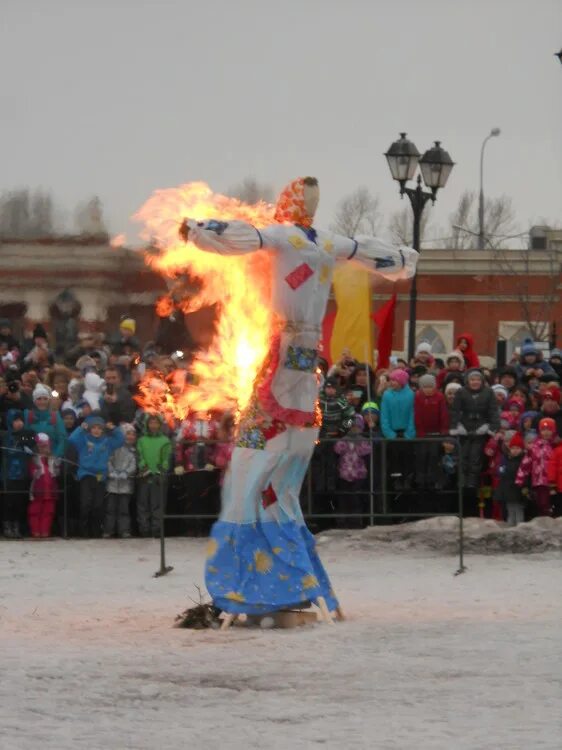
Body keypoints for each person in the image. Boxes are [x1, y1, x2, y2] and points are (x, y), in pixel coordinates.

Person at [179, 175, 417, 618]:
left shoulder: (282, 235)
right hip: (307, 367)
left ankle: (256, 586)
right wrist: (403, 259)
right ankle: (292, 583)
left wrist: (197, 229)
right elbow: (371, 251)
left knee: (249, 472)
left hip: (283, 357)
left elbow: (243, 235)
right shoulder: (328, 242)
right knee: (281, 482)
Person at [450, 369, 500, 513]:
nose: (475, 382)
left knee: (475, 457)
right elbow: (455, 410)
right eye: (472, 380)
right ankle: (462, 481)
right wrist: (456, 426)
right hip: (464, 429)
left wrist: (491, 427)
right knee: (463, 456)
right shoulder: (461, 392)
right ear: (468, 381)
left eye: (478, 379)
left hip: (481, 429)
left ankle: (472, 482)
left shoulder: (488, 392)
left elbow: (493, 411)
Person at [68, 416, 125, 537]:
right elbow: (72, 439)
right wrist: (80, 429)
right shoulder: (83, 440)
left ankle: (95, 530)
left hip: (100, 476)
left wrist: (113, 429)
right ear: (89, 429)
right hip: (86, 475)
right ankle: (83, 530)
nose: (96, 430)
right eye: (93, 427)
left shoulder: (108, 441)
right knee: (85, 503)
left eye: (99, 428)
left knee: (98, 505)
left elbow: (121, 439)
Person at [136, 413, 172, 537]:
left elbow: (166, 457)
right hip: (145, 475)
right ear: (147, 424)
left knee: (158, 504)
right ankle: (144, 530)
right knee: (143, 504)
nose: (153, 425)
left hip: (159, 475)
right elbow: (139, 455)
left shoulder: (165, 440)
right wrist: (143, 467)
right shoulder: (141, 440)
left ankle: (156, 530)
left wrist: (162, 469)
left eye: (156, 423)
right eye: (151, 423)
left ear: (160, 425)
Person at [1, 410, 35, 538]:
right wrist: (19, 449)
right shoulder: (5, 436)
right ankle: (7, 526)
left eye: (21, 420)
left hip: (22, 474)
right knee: (9, 501)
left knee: (20, 501)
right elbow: (8, 453)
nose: (19, 423)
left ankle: (16, 526)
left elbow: (33, 444)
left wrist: (28, 448)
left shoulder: (26, 435)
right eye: (16, 420)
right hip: (8, 474)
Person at [381, 368, 415, 491]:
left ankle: (406, 479)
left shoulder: (411, 395)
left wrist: (410, 432)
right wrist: (389, 433)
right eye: (391, 380)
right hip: (392, 433)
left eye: (395, 380)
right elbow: (384, 415)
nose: (392, 383)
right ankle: (396, 480)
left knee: (406, 458)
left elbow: (412, 415)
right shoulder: (387, 395)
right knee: (394, 459)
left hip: (406, 432)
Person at [334, 414, 371, 528]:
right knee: (344, 499)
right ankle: (342, 521)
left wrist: (358, 443)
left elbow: (365, 452)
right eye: (352, 427)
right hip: (345, 473)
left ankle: (356, 520)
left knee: (356, 499)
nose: (354, 429)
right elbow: (337, 449)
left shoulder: (363, 441)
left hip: (358, 474)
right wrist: (345, 440)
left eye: (357, 427)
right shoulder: (343, 440)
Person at [516, 417, 557, 517]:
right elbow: (525, 463)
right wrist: (520, 479)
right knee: (540, 503)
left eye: (549, 430)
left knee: (551, 503)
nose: (546, 432)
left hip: (553, 482)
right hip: (538, 481)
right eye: (543, 430)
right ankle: (544, 520)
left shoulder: (555, 445)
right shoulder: (535, 446)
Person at [414, 373, 448, 491]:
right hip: (422, 434)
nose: (428, 390)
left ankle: (432, 480)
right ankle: (420, 480)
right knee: (421, 456)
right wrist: (420, 431)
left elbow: (443, 415)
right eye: (425, 387)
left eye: (430, 387)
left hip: (435, 433)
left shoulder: (440, 397)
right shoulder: (417, 397)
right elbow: (417, 415)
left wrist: (443, 430)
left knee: (434, 456)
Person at [104, 423, 137, 538]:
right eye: (128, 434)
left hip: (126, 485)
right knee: (110, 509)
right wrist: (111, 472)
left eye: (133, 434)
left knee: (124, 509)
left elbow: (133, 465)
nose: (131, 437)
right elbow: (108, 460)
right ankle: (109, 530)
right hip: (112, 484)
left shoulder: (133, 450)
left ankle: (124, 530)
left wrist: (127, 472)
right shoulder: (114, 448)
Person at [28, 433, 60, 538]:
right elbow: (33, 474)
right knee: (35, 511)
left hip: (50, 490)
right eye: (41, 446)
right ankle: (36, 531)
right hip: (38, 490)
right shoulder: (34, 459)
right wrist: (39, 466)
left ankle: (44, 531)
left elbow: (57, 473)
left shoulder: (52, 459)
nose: (43, 448)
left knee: (48, 512)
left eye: (46, 446)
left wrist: (54, 464)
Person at [23, 384, 67, 458]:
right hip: (33, 458)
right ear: (34, 401)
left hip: (51, 458)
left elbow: (62, 438)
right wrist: (27, 448)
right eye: (39, 399)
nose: (42, 402)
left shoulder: (55, 415)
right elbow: (24, 435)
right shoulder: (28, 415)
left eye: (45, 399)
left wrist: (56, 455)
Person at [496, 432, 526, 526]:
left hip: (518, 489)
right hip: (508, 489)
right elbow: (501, 471)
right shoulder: (507, 459)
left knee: (518, 509)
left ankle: (519, 526)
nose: (515, 450)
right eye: (513, 448)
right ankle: (510, 525)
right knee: (510, 508)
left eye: (517, 448)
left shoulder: (523, 460)